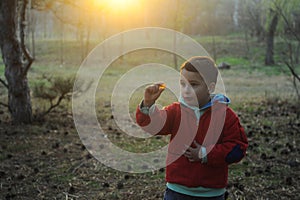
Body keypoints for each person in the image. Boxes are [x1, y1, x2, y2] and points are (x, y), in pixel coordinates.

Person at [136, 56, 248, 200]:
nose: (186, 90)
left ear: (210, 87)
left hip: (211, 193)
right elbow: (153, 126)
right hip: (177, 191)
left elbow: (237, 148)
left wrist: (205, 154)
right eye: (183, 84)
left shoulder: (224, 115)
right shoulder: (177, 111)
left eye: (194, 84)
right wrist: (148, 104)